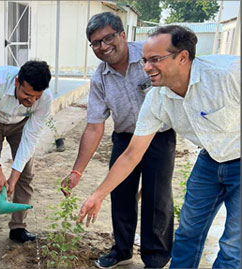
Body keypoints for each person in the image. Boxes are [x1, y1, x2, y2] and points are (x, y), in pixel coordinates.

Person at [78, 25, 240, 269]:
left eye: (155, 60)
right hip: (209, 161)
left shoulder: (228, 74)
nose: (145, 67)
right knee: (187, 233)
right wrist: (98, 195)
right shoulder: (158, 97)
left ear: (182, 57)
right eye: (145, 60)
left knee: (233, 245)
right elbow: (132, 154)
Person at [62, 12, 176, 268]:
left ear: (122, 35)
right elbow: (94, 127)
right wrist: (77, 170)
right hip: (125, 138)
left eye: (108, 38)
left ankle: (156, 257)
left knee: (157, 198)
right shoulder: (100, 78)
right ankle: (122, 250)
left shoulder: (149, 58)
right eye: (95, 43)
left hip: (159, 137)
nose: (103, 47)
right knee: (120, 194)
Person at [0, 60, 52, 250]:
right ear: (17, 82)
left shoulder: (45, 99)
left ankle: (18, 228)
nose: (31, 100)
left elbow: (31, 137)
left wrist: (13, 177)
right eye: (27, 94)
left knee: (25, 174)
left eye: (36, 97)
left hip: (21, 124)